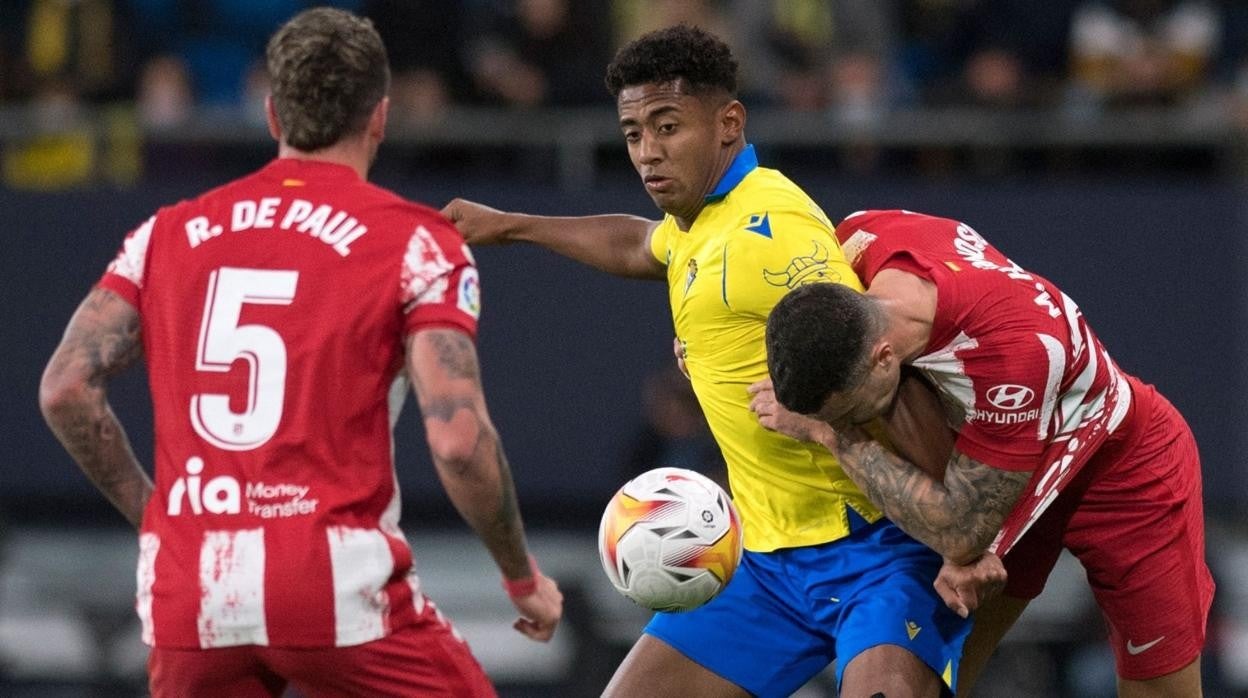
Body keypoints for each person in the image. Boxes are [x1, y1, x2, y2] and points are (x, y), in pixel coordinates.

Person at [38, 8, 562, 697]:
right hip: (333, 583)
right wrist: (521, 576)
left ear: (271, 114)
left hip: (190, 592)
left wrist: (157, 517)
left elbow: (65, 388)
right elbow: (460, 441)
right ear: (380, 114)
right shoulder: (415, 242)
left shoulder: (166, 233)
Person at [442, 24, 971, 698]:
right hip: (768, 563)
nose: (648, 153)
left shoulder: (773, 238)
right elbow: (643, 246)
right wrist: (511, 225)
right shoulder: (702, 222)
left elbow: (890, 373)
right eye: (634, 134)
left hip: (879, 554)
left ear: (728, 124)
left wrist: (959, 543)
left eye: (668, 127)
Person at [759, 208, 1215, 696]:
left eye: (849, 410)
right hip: (990, 462)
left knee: (1161, 691)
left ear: (884, 356)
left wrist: (833, 437)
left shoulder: (1011, 353)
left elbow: (960, 533)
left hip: (1121, 469)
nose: (845, 420)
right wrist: (703, 346)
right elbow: (795, 318)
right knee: (930, 681)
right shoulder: (861, 237)